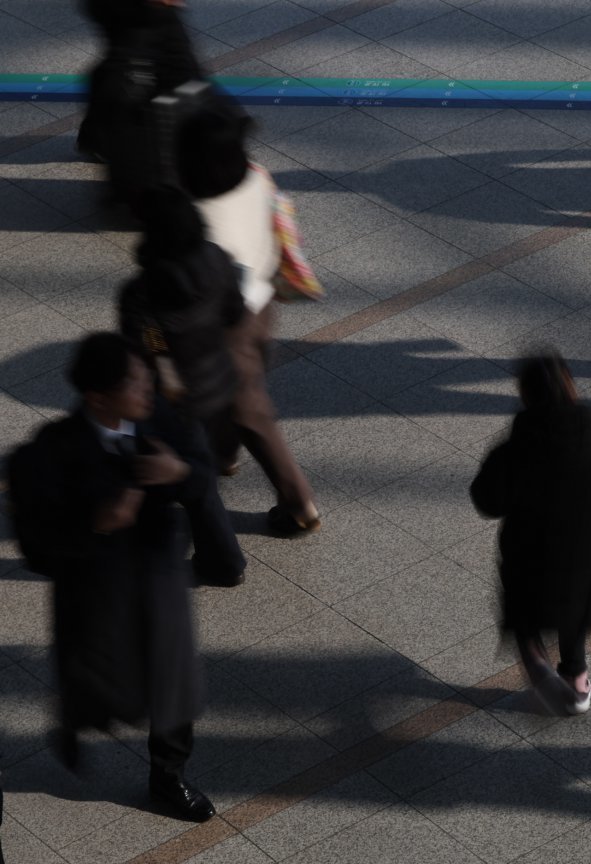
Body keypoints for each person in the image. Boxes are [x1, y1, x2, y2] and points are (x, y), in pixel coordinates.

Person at [8, 334, 215, 822]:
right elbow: (37, 548)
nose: (147, 386)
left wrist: (177, 471)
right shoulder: (49, 454)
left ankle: (168, 776)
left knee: (173, 683)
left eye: (145, 374)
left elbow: (202, 477)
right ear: (98, 396)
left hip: (158, 579)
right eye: (133, 381)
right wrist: (96, 525)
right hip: (96, 590)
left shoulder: (158, 419)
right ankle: (74, 726)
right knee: (97, 682)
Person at [174, 107, 321, 536]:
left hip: (226, 325)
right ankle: (223, 454)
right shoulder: (255, 176)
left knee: (251, 410)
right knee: (239, 397)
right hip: (263, 303)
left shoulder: (200, 223)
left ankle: (299, 505)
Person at [470, 352, 591, 714]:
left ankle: (537, 665)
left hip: (530, 553)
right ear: (571, 388)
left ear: (525, 395)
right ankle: (577, 682)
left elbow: (486, 499)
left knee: (524, 614)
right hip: (585, 553)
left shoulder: (515, 449)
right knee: (574, 619)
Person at [118, 186, 247, 585]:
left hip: (177, 400)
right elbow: (234, 312)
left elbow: (147, 344)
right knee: (197, 466)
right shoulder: (216, 259)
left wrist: (164, 357)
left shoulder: (142, 291)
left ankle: (224, 564)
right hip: (222, 380)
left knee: (193, 480)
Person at [77, 0, 205, 199]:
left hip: (145, 11)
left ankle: (100, 138)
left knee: (133, 66)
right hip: (142, 10)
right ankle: (126, 170)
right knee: (168, 72)